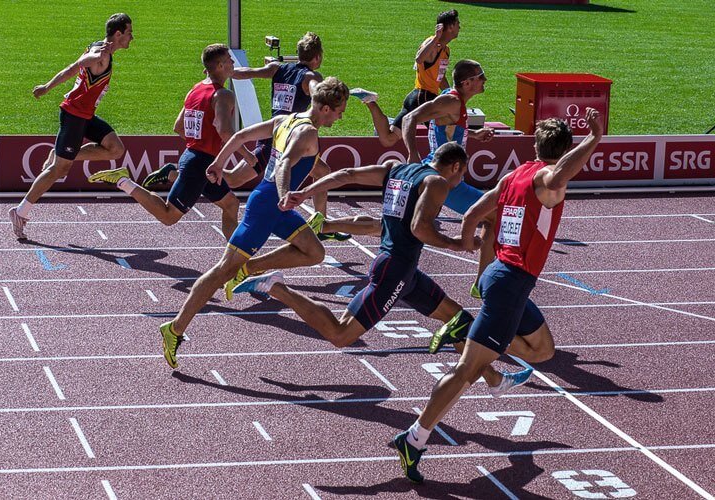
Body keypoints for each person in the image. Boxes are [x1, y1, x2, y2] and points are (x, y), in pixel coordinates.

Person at [393, 108, 603, 484]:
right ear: (566, 151)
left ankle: (468, 330)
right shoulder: (546, 181)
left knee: (543, 351)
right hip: (508, 283)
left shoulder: (513, 176)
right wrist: (595, 138)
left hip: (504, 279)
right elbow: (561, 172)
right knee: (467, 372)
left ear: (537, 145)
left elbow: (472, 213)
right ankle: (415, 437)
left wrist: (467, 242)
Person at [231, 142, 531, 395]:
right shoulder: (436, 183)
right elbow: (420, 229)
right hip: (395, 271)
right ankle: (276, 286)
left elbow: (346, 174)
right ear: (454, 167)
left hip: (403, 271)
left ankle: (493, 379)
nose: (459, 182)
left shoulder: (398, 169)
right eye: (461, 174)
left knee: (457, 319)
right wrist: (455, 243)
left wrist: (304, 193)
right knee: (340, 335)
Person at [158, 77, 349, 369]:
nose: (341, 116)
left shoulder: (286, 120)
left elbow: (241, 136)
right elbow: (284, 164)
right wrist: (285, 195)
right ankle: (175, 328)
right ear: (324, 109)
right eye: (339, 111)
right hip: (268, 206)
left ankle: (249, 270)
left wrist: (219, 163)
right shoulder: (307, 133)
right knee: (222, 270)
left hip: (275, 205)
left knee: (315, 252)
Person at [142, 32, 347, 241]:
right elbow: (316, 91)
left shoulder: (278, 68)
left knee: (323, 172)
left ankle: (320, 225)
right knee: (231, 179)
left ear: (298, 53)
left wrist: (221, 73)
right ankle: (175, 175)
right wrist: (325, 95)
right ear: (318, 58)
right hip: (284, 139)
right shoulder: (312, 78)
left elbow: (247, 72)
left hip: (276, 134)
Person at [85, 44, 254, 239]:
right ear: (220, 65)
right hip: (200, 164)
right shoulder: (223, 95)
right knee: (168, 216)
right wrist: (248, 156)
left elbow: (178, 126)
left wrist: (200, 143)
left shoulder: (196, 90)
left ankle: (235, 260)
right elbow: (225, 131)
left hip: (198, 161)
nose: (234, 63)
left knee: (231, 204)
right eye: (230, 60)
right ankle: (123, 180)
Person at [8, 13, 133, 240]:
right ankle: (20, 212)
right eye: (129, 33)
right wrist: (47, 86)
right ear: (118, 34)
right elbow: (74, 67)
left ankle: (63, 154)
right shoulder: (100, 54)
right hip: (74, 116)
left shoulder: (101, 48)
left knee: (116, 149)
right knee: (58, 169)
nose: (132, 38)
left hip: (86, 116)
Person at [404, 59, 495, 297]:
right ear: (467, 83)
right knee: (496, 216)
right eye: (481, 76)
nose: (485, 80)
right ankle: (482, 284)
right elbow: (409, 118)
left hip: (440, 176)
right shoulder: (451, 100)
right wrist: (412, 154)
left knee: (402, 224)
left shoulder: (454, 101)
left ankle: (328, 224)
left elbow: (445, 129)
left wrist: (473, 134)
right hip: (446, 182)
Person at [350, 10, 460, 147]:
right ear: (449, 27)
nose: (459, 27)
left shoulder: (445, 50)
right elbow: (419, 58)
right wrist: (436, 38)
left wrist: (450, 93)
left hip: (416, 98)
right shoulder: (432, 44)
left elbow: (440, 77)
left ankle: (370, 101)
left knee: (388, 139)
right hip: (424, 97)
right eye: (457, 24)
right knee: (445, 137)